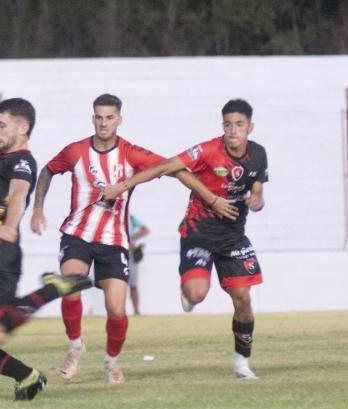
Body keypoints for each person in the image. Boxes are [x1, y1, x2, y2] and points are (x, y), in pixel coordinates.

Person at [30, 94, 237, 384]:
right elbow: (48, 170)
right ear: (93, 118)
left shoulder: (130, 153)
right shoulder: (76, 151)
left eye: (109, 117)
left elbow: (173, 168)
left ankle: (111, 362)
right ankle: (75, 346)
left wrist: (212, 198)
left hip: (114, 241)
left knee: (116, 309)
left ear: (119, 119)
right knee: (70, 285)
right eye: (99, 117)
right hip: (77, 234)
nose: (103, 123)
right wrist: (38, 209)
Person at [0, 98, 93, 401]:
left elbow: (19, 192)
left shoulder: (22, 161)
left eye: (1, 125)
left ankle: (52, 290)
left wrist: (11, 224)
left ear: (22, 128)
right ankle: (28, 377)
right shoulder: (0, 158)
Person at [104, 99, 268, 379]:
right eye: (228, 124)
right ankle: (187, 292)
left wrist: (257, 199)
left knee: (243, 299)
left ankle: (242, 363)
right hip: (199, 232)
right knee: (196, 295)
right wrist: (125, 185)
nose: (233, 130)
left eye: (239, 124)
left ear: (250, 127)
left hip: (233, 237)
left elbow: (257, 187)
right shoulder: (207, 150)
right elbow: (167, 167)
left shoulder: (258, 154)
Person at [128, 215, 150, 316]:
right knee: (119, 284)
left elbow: (145, 230)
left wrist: (130, 240)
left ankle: (136, 310)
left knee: (133, 285)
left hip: (130, 255)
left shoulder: (131, 218)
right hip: (117, 254)